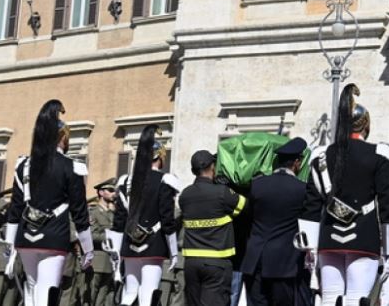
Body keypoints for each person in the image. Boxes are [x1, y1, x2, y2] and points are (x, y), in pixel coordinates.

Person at [300, 83, 389, 306]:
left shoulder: (321, 157)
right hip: (364, 237)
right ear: (366, 125)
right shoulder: (378, 154)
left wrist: (310, 248)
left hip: (328, 237)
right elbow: (386, 204)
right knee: (357, 299)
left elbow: (311, 207)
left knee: (329, 299)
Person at [6, 99, 95, 305]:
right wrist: (87, 248)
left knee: (31, 290)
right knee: (47, 292)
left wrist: (9, 245)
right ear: (62, 138)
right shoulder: (71, 166)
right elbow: (79, 212)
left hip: (26, 236)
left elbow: (15, 208)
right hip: (54, 236)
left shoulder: (24, 165)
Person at [108, 125, 180, 306]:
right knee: (149, 292)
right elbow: (167, 220)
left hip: (129, 245)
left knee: (130, 291)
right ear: (158, 157)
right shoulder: (164, 180)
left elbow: (118, 221)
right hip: (154, 244)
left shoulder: (125, 181)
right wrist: (173, 252)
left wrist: (116, 253)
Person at [242, 137, 310, 306]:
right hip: (284, 263)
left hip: (254, 260)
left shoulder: (257, 185)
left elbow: (248, 217)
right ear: (296, 163)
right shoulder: (302, 189)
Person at [180, 149, 247, 306]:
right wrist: (233, 187)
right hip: (217, 262)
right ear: (212, 167)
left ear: (193, 171)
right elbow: (245, 207)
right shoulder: (222, 192)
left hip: (191, 263)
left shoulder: (185, 195)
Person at [89, 178, 117, 306]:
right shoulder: (93, 212)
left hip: (110, 262)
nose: (113, 193)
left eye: (114, 191)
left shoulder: (113, 213)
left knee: (103, 297)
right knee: (91, 296)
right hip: (97, 260)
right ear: (100, 192)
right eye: (110, 190)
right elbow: (92, 235)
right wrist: (109, 237)